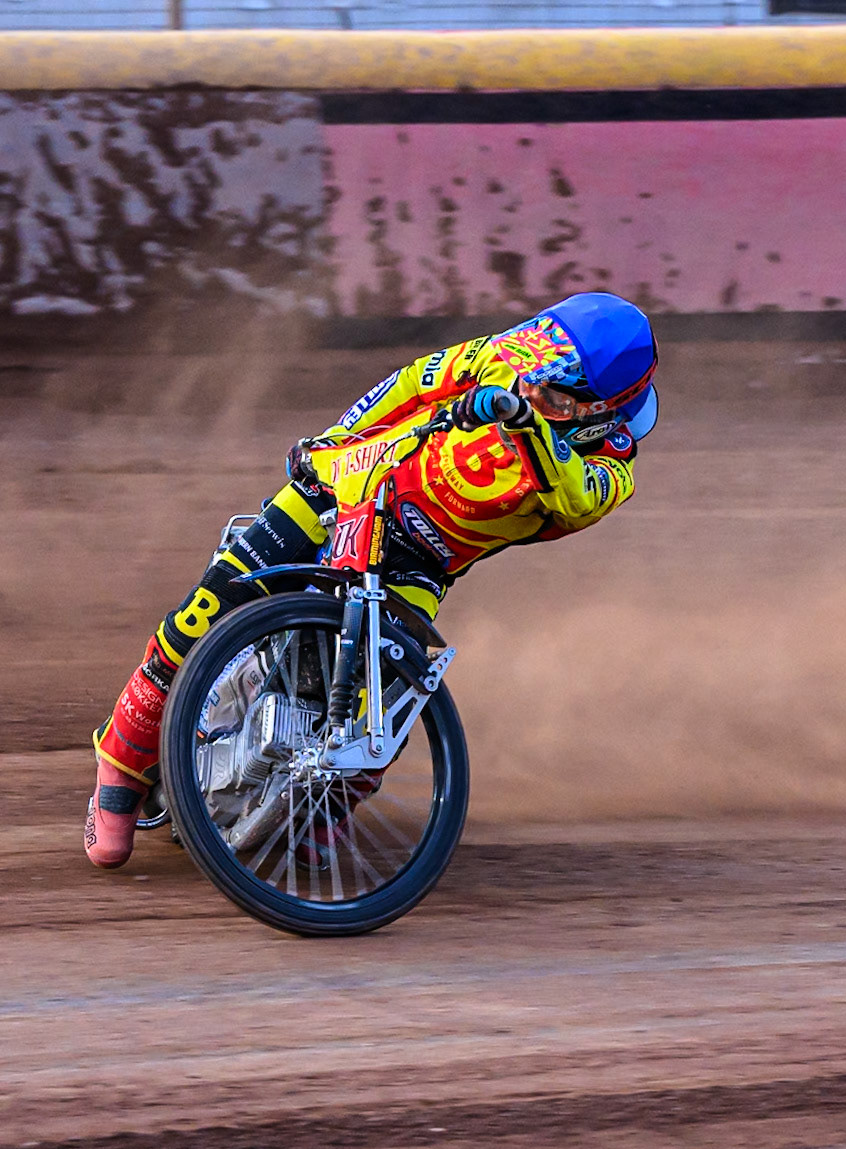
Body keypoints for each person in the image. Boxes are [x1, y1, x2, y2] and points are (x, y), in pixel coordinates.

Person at [85, 291, 658, 867]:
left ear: (604, 414)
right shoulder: (507, 355)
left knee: (394, 700)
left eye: (553, 397)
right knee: (199, 616)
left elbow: (573, 498)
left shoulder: (613, 469)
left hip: (418, 561)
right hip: (341, 489)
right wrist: (336, 438)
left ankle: (325, 813)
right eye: (528, 378)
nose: (528, 390)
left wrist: (523, 422)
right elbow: (409, 384)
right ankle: (121, 772)